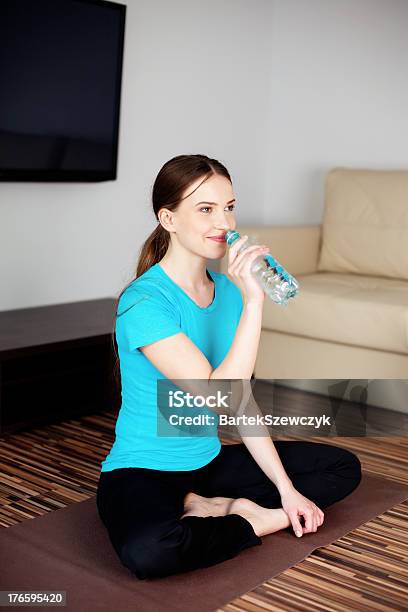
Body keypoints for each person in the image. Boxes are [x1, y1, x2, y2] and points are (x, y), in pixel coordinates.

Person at [96, 154, 362, 580]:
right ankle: (256, 519)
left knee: (341, 468)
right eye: (205, 209)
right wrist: (256, 301)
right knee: (148, 552)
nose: (224, 222)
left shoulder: (229, 292)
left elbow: (241, 402)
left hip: (210, 461)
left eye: (229, 207)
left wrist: (287, 489)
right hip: (143, 468)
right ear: (168, 218)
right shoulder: (145, 303)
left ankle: (209, 506)